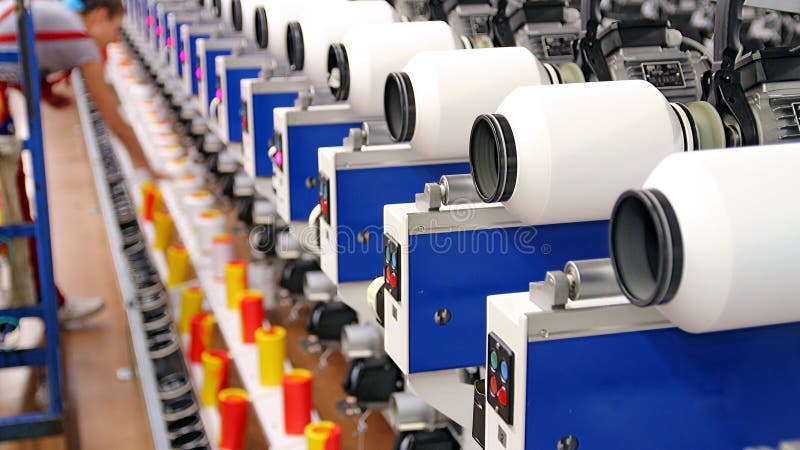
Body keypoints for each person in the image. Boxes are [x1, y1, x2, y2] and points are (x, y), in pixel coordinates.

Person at [0, 0, 148, 325]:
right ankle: (40, 306)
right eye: (115, 29)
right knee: (14, 215)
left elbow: (27, 53)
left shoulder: (62, 15)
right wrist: (149, 168)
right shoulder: (80, 40)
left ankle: (44, 300)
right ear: (98, 17)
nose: (114, 40)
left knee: (17, 211)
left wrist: (46, 95)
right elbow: (114, 119)